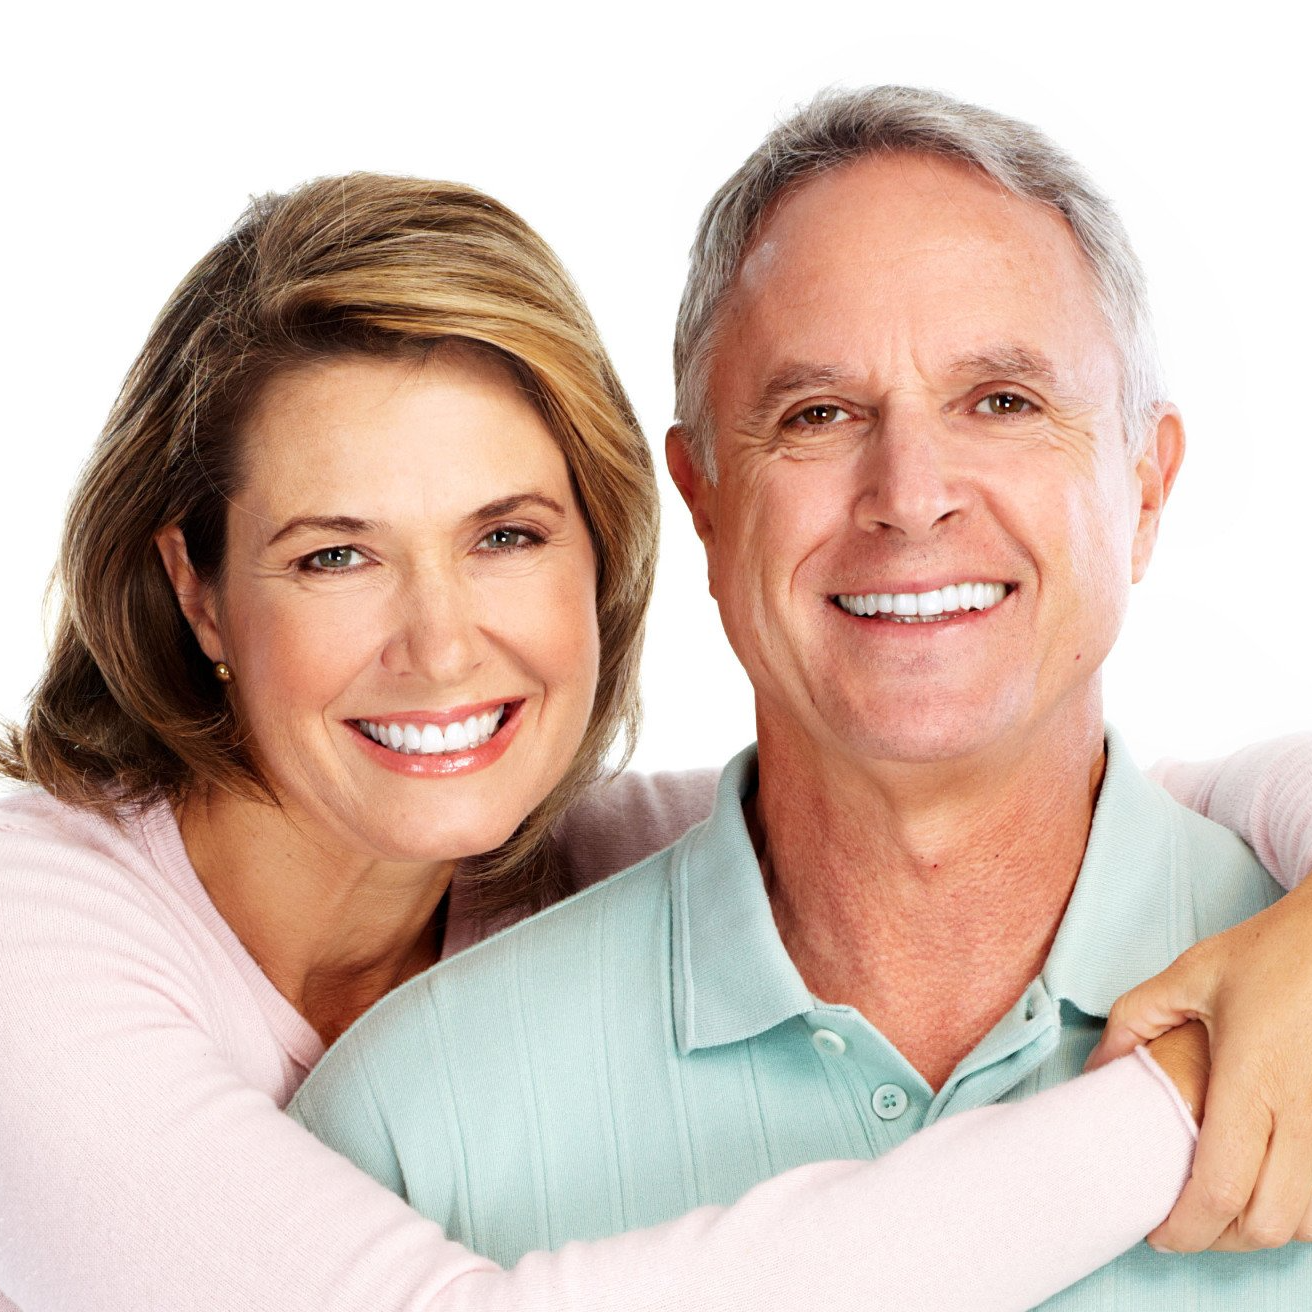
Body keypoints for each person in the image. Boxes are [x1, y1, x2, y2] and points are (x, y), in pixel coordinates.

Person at [0, 171, 1304, 1312]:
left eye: (505, 535)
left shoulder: (558, 855)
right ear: (198, 591)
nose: (442, 647)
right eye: (335, 555)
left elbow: (1091, 792)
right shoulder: (32, 927)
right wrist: (1200, 1089)